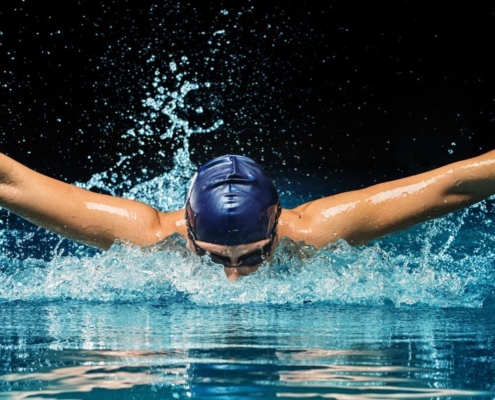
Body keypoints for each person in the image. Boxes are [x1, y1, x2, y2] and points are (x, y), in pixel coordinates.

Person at [1, 150, 495, 280]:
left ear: (277, 224)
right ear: (188, 230)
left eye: (255, 256)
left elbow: (451, 186)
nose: (235, 278)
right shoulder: (145, 235)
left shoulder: (317, 231)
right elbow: (12, 184)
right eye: (215, 259)